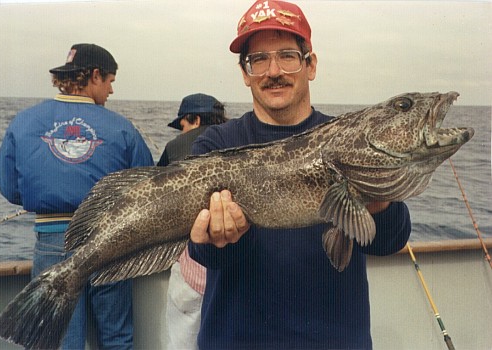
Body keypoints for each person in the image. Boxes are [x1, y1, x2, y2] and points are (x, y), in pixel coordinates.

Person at [188, 1, 412, 349]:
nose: (273, 70)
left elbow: (389, 242)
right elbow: (207, 256)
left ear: (311, 65)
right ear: (245, 73)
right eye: (258, 59)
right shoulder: (216, 145)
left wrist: (378, 198)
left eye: (288, 55)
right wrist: (222, 238)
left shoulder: (349, 136)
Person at [0, 43, 154, 350]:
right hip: (110, 243)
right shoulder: (123, 128)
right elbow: (146, 188)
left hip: (53, 241)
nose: (110, 91)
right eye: (109, 81)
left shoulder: (23, 121)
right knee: (117, 338)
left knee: (61, 340)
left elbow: (9, 186)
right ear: (94, 75)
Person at [159, 93, 227, 350]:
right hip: (233, 272)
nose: (182, 132)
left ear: (194, 119)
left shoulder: (176, 147)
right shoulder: (237, 141)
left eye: (183, 125)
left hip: (191, 268)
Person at [157, 93, 227, 166]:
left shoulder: (173, 146)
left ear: (196, 121)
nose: (182, 133)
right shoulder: (234, 137)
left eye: (182, 126)